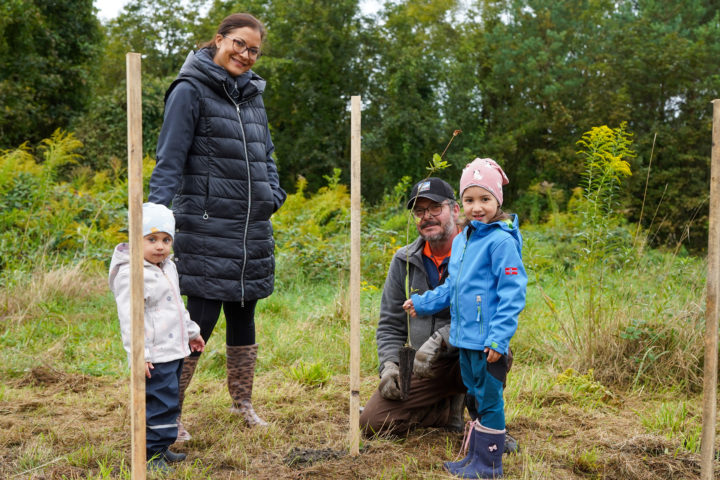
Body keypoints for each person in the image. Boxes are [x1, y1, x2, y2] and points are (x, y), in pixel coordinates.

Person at [147, 12, 287, 441]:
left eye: (254, 50)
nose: (245, 55)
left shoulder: (253, 96)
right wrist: (155, 222)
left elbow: (266, 153)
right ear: (219, 40)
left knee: (244, 318)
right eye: (239, 44)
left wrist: (271, 195)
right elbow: (169, 159)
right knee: (195, 325)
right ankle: (170, 412)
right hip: (207, 229)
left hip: (251, 231)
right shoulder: (189, 91)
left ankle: (243, 402)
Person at [403, 158, 527, 479]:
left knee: (488, 399)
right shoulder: (462, 240)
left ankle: (489, 464)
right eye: (470, 200)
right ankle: (473, 455)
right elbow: (451, 288)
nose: (477, 207)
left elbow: (512, 294)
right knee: (472, 393)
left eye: (485, 199)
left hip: (487, 340)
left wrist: (499, 338)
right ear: (462, 204)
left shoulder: (501, 241)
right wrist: (423, 303)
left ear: (497, 200)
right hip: (464, 339)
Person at [360, 177, 468, 435]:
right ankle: (443, 409)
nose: (426, 216)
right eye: (419, 211)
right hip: (423, 365)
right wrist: (389, 366)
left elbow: (485, 314)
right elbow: (390, 325)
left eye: (434, 208)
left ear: (454, 210)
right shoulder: (404, 260)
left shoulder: (476, 253)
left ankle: (486, 422)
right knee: (372, 423)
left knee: (496, 354)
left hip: (466, 357)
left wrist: (442, 339)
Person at [109, 202, 206, 473]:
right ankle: (151, 455)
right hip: (154, 355)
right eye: (151, 239)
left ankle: (162, 448)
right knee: (159, 404)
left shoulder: (167, 267)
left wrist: (192, 332)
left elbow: (175, 306)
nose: (160, 246)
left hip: (173, 349)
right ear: (135, 239)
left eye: (166, 239)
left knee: (170, 401)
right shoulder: (133, 274)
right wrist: (140, 355)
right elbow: (130, 319)